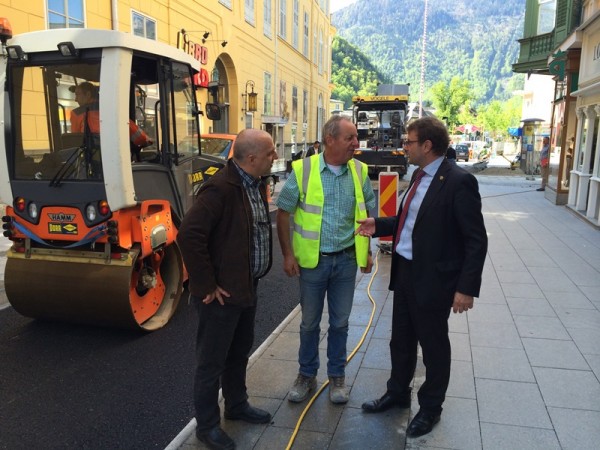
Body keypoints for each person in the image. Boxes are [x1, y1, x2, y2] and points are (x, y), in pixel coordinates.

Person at [356, 116, 487, 438]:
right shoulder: (417, 175)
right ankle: (397, 393)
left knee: (433, 346)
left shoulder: (458, 181)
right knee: (400, 339)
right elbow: (409, 220)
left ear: (427, 146)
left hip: (435, 279)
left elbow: (476, 239)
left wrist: (465, 289)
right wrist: (380, 225)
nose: (404, 147)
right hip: (406, 272)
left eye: (408, 142)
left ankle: (430, 408)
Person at [177, 129, 278, 450]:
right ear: (251, 159)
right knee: (211, 362)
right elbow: (188, 236)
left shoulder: (251, 183)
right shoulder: (220, 189)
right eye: (270, 153)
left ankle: (236, 405)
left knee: (238, 352)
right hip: (222, 295)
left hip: (246, 287)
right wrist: (205, 284)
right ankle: (207, 426)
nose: (274, 157)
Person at [276, 115, 376, 405]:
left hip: (346, 261)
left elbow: (367, 214)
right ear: (330, 140)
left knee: (341, 323)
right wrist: (287, 254)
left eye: (356, 138)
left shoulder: (359, 171)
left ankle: (337, 378)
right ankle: (306, 376)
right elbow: (284, 212)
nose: (356, 144)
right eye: (350, 138)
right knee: (309, 323)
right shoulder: (305, 169)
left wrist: (367, 251)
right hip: (313, 263)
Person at [70, 81, 153, 151]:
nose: (75, 99)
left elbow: (75, 141)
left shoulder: (76, 113)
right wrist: (146, 140)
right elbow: (138, 136)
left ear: (88, 94)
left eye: (77, 95)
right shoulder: (112, 110)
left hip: (89, 162)